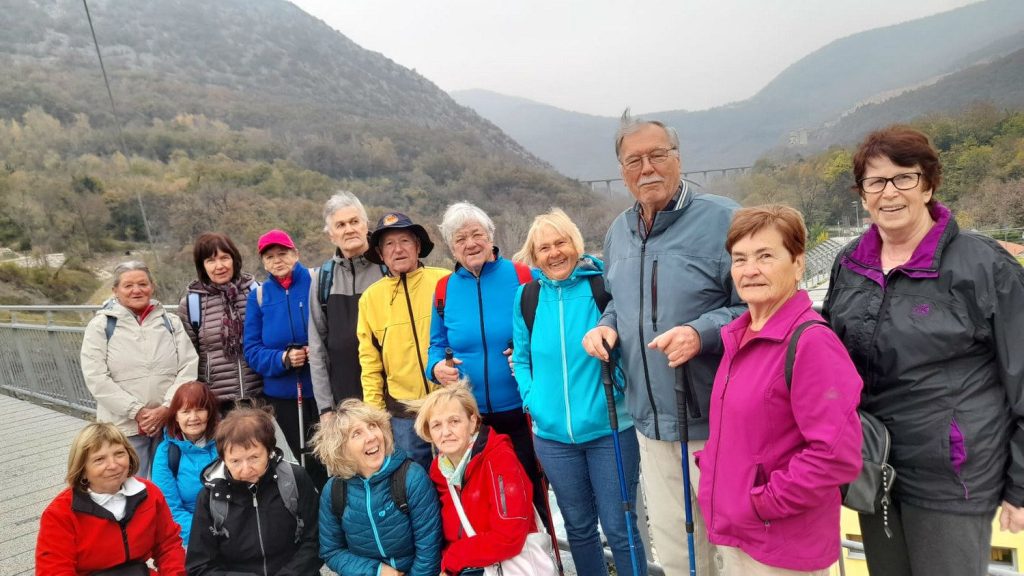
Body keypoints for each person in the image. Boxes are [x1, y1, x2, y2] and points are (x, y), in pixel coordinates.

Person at [822, 125, 1024, 576]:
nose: (889, 192)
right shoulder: (850, 263)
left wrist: (1021, 484)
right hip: (874, 468)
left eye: (904, 177)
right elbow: (829, 359)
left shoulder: (982, 265)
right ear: (863, 194)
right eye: (876, 181)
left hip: (951, 479)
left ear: (928, 185)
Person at [582, 110, 744, 574]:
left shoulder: (725, 219)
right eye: (634, 161)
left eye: (657, 155)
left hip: (717, 424)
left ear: (678, 158)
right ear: (622, 172)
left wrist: (700, 333)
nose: (647, 168)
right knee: (676, 554)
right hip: (650, 426)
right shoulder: (618, 232)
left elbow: (755, 306)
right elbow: (618, 302)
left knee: (734, 549)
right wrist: (606, 326)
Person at [697, 205, 863, 575]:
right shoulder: (741, 335)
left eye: (765, 256)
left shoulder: (811, 343)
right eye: (740, 259)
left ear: (798, 264)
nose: (749, 270)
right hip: (743, 535)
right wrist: (713, 470)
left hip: (782, 547)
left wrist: (762, 503)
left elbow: (835, 456)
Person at [511, 208, 646, 576]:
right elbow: (521, 359)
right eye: (544, 248)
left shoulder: (602, 287)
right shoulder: (527, 298)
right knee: (579, 528)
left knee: (620, 528)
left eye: (561, 243)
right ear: (534, 255)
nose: (554, 253)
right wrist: (533, 400)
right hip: (553, 439)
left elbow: (630, 344)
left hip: (610, 431)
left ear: (576, 244)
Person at [426, 201, 549, 529]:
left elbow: (551, 332)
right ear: (452, 247)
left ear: (490, 236)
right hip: (473, 420)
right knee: (484, 502)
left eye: (476, 234)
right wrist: (436, 368)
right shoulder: (444, 290)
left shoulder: (523, 276)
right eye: (460, 238)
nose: (470, 244)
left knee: (533, 494)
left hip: (523, 412)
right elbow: (436, 346)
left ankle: (541, 553)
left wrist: (530, 351)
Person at [80, 260, 199, 478]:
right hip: (123, 428)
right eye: (128, 285)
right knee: (130, 484)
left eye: (143, 284)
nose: (137, 290)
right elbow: (95, 377)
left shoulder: (170, 322)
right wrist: (137, 412)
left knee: (169, 483)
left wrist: (166, 408)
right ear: (115, 290)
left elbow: (188, 366)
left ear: (152, 287)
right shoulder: (101, 326)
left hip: (169, 424)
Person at [415, 384, 545, 576]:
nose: (446, 432)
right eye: (436, 425)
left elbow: (509, 537)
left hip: (504, 565)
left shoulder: (500, 459)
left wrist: (453, 559)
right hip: (466, 567)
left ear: (472, 421)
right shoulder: (439, 470)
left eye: (454, 421)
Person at [358, 212, 449, 471]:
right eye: (389, 244)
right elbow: (370, 362)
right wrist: (376, 417)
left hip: (448, 402)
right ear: (380, 253)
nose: (398, 249)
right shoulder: (370, 299)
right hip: (403, 414)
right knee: (414, 479)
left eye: (405, 241)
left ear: (418, 246)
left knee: (459, 473)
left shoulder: (443, 282)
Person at [185, 406, 322, 575]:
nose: (246, 469)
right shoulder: (210, 496)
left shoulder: (294, 479)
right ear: (223, 459)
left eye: (254, 458)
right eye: (235, 461)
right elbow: (199, 565)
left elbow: (316, 540)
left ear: (269, 451)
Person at [312, 399, 442, 576]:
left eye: (372, 426)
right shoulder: (334, 491)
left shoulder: (411, 477)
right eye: (357, 434)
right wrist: (377, 571)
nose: (371, 437)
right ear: (340, 448)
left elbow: (429, 548)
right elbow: (332, 551)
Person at [36, 422, 185, 575]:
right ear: (82, 469)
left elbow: (168, 546)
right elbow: (54, 570)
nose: (113, 465)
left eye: (119, 454)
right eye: (99, 459)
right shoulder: (60, 513)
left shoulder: (149, 493)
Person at [243, 228, 326, 488]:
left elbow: (334, 328)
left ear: (296, 254)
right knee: (300, 461)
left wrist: (317, 349)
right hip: (284, 398)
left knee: (330, 454)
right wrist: (283, 359)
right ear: (263, 262)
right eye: (270, 257)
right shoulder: (258, 296)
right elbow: (252, 350)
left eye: (283, 253)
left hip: (322, 391)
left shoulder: (317, 281)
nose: (277, 260)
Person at [309, 192, 384, 420]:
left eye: (354, 221)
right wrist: (325, 408)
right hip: (343, 402)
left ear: (366, 225)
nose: (349, 229)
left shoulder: (386, 268)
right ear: (331, 235)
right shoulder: (323, 279)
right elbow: (317, 348)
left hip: (389, 398)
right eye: (340, 225)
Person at [178, 232, 262, 413]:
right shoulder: (192, 304)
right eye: (211, 260)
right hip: (216, 401)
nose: (219, 266)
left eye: (224, 258)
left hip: (260, 394)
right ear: (202, 266)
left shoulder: (257, 293)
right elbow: (188, 357)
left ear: (234, 259)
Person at [151, 381, 220, 546]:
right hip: (191, 535)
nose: (193, 418)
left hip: (232, 528)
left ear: (210, 412)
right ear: (176, 416)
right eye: (186, 411)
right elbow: (169, 509)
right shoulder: (166, 452)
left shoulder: (225, 442)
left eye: (200, 410)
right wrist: (207, 536)